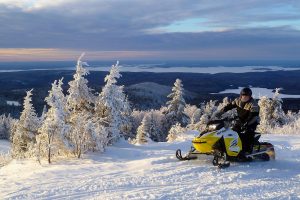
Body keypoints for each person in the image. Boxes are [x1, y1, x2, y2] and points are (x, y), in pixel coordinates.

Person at [218, 87, 259, 155]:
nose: (245, 98)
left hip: (252, 122)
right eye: (243, 96)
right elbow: (230, 106)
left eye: (247, 96)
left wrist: (247, 123)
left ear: (250, 97)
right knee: (232, 133)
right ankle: (231, 148)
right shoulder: (238, 100)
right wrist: (222, 111)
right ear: (241, 96)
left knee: (248, 134)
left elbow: (253, 116)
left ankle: (247, 150)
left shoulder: (253, 104)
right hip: (241, 121)